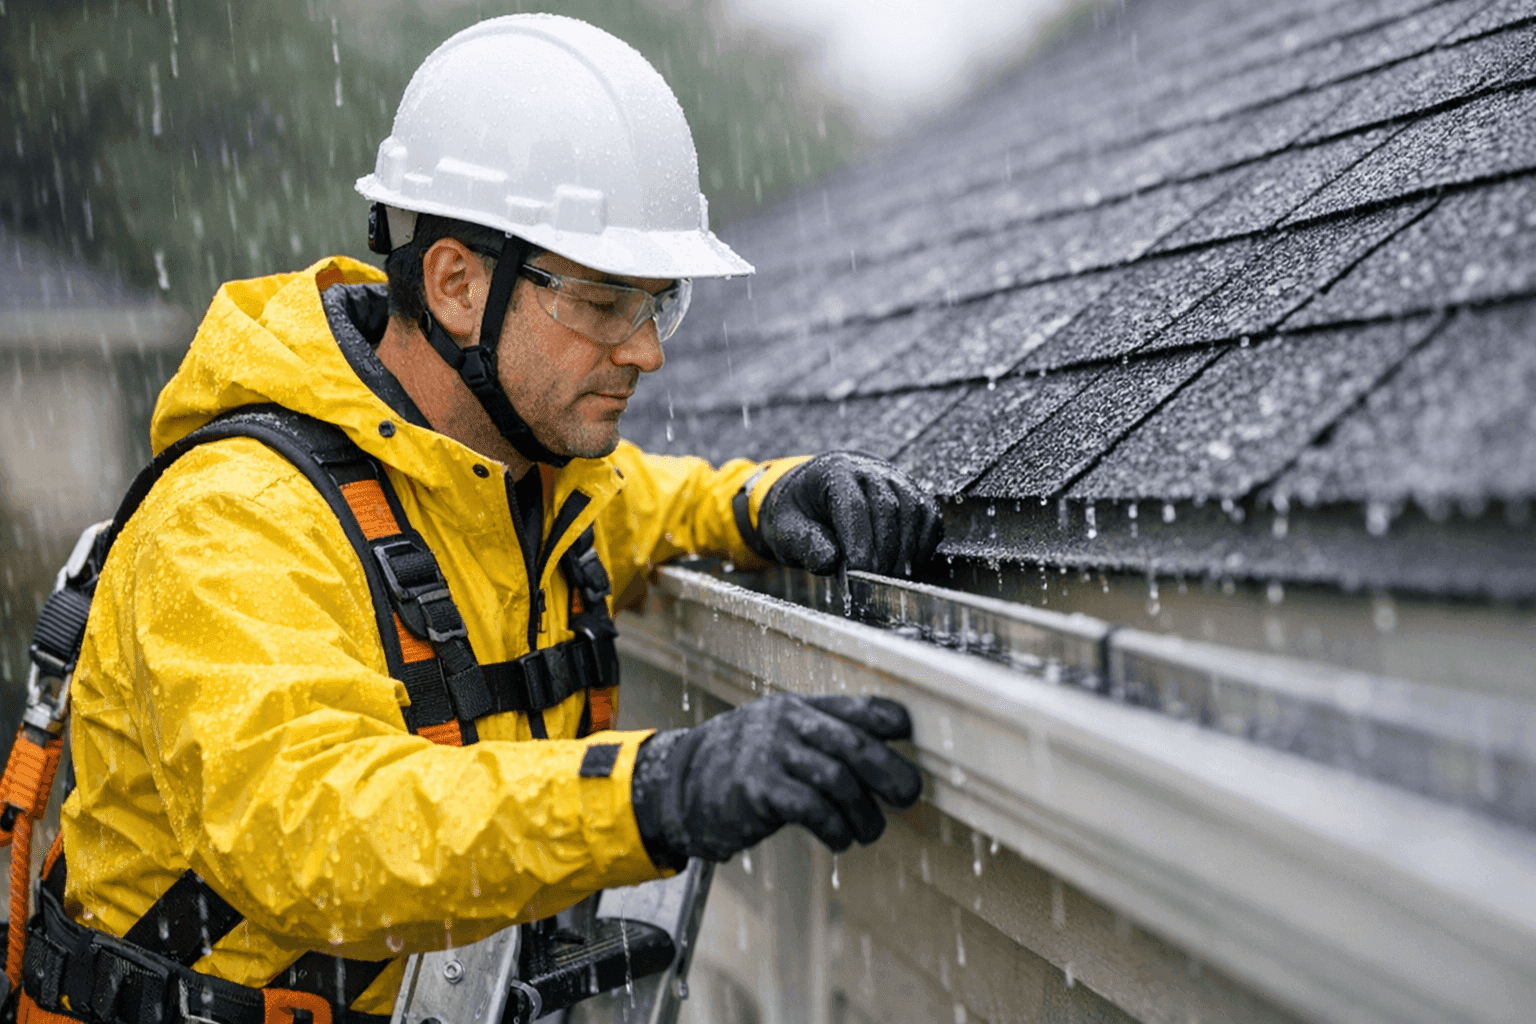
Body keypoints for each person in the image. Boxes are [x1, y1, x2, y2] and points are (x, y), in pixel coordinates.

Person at [26, 15, 942, 1024]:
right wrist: (657, 790)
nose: (646, 352)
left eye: (657, 304)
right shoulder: (234, 521)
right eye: (604, 303)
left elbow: (645, 501)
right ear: (459, 285)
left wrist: (764, 499)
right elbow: (323, 834)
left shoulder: (511, 479)